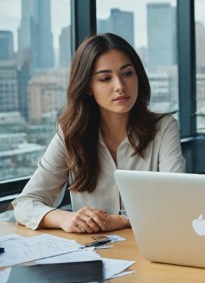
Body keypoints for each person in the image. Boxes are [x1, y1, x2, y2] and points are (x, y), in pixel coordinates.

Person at [13, 33, 185, 234]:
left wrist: (122, 220)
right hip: (92, 255)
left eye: (127, 73)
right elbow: (25, 203)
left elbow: (176, 202)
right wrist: (64, 218)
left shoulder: (163, 128)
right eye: (105, 78)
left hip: (150, 249)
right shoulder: (70, 134)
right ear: (87, 87)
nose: (120, 86)